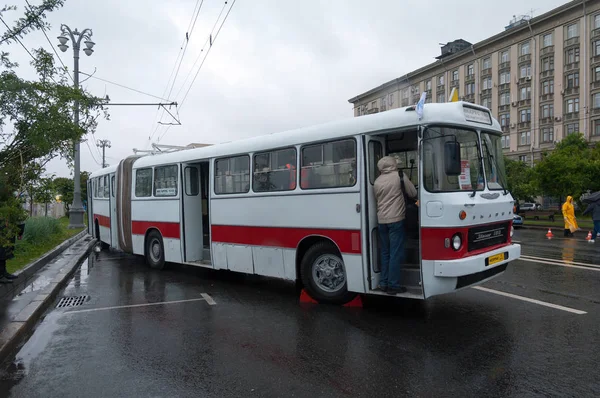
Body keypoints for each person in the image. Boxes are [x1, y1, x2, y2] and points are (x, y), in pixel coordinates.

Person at [373, 156, 417, 295]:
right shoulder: (399, 176)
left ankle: (383, 283)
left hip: (381, 221)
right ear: (393, 164)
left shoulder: (377, 181)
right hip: (396, 219)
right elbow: (413, 193)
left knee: (385, 252)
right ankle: (393, 285)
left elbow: (377, 198)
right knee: (395, 253)